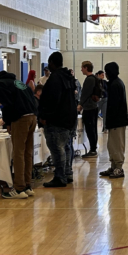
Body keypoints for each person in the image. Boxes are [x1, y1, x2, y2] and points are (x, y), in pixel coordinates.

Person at [0, 70, 39, 199]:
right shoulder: (19, 82)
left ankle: (19, 188)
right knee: (27, 152)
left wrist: (8, 122)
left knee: (18, 153)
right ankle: (27, 185)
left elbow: (7, 104)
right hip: (33, 117)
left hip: (20, 118)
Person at [38, 51, 78, 187]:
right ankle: (67, 173)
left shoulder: (55, 79)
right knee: (66, 147)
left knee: (57, 148)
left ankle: (60, 176)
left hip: (57, 119)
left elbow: (51, 101)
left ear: (51, 63)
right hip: (70, 118)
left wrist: (44, 116)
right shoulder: (68, 77)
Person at [100, 62, 128, 179]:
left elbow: (115, 105)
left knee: (117, 145)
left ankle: (119, 168)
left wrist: (112, 120)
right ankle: (113, 166)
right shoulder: (113, 83)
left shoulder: (116, 84)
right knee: (111, 145)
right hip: (113, 121)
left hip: (117, 120)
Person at [79, 61, 100, 158]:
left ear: (86, 68)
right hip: (94, 107)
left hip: (89, 107)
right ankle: (93, 148)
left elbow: (85, 93)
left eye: (82, 68)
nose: (81, 69)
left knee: (90, 129)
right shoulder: (95, 78)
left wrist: (80, 104)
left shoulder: (89, 79)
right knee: (93, 128)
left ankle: (92, 149)